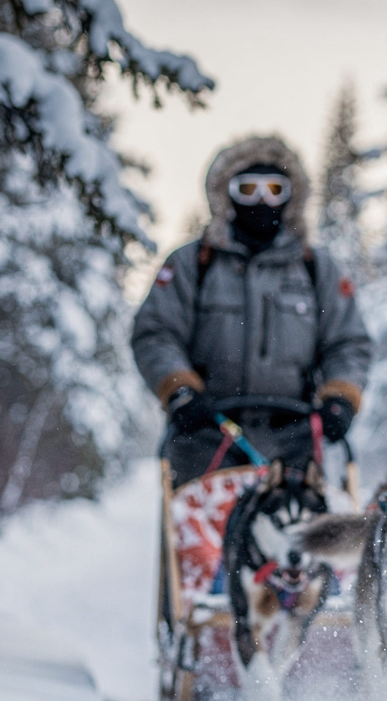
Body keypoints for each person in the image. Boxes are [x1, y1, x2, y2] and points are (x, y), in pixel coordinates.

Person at [132, 135, 373, 487]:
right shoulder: (192, 263)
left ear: (291, 197)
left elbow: (348, 341)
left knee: (300, 538)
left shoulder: (317, 268)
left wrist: (340, 395)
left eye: (275, 188)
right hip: (206, 435)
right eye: (248, 189)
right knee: (203, 541)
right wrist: (179, 389)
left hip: (295, 440)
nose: (261, 200)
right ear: (226, 194)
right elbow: (156, 332)